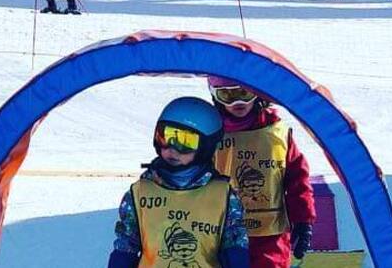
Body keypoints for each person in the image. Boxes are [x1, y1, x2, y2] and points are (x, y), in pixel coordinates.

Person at [108, 97, 250, 268]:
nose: (172, 149)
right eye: (165, 137)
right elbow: (126, 244)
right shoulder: (140, 192)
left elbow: (235, 244)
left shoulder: (223, 195)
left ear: (206, 146)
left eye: (185, 141)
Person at [208, 77, 315, 267]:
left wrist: (302, 220)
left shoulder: (276, 132)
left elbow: (297, 179)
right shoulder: (209, 133)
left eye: (244, 93)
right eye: (227, 96)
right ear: (216, 96)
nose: (237, 103)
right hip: (222, 236)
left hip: (269, 238)